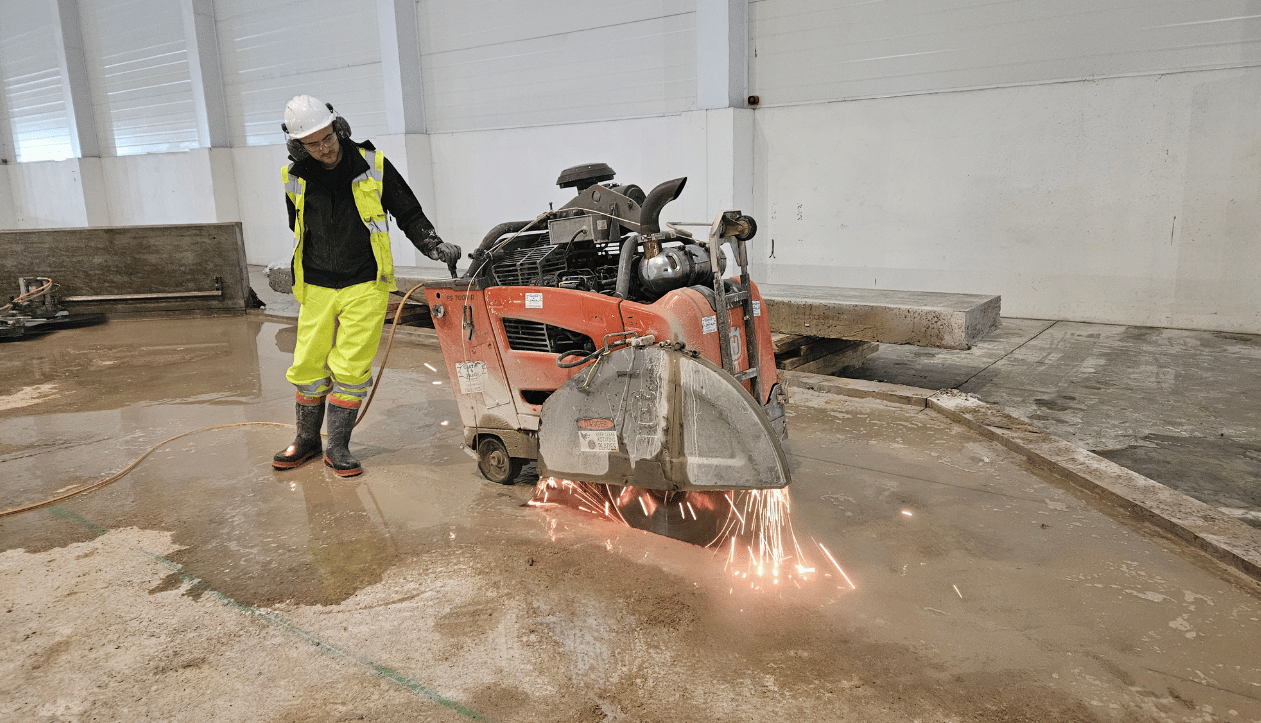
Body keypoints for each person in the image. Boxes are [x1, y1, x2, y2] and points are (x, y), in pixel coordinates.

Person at [272, 94, 460, 477]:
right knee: (307, 365)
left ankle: (337, 446)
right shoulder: (292, 176)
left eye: (328, 137)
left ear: (338, 128)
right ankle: (307, 440)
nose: (324, 148)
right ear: (298, 146)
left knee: (352, 367)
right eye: (313, 143)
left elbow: (408, 210)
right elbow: (298, 225)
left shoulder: (373, 165)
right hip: (317, 284)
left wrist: (433, 244)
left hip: (365, 282)